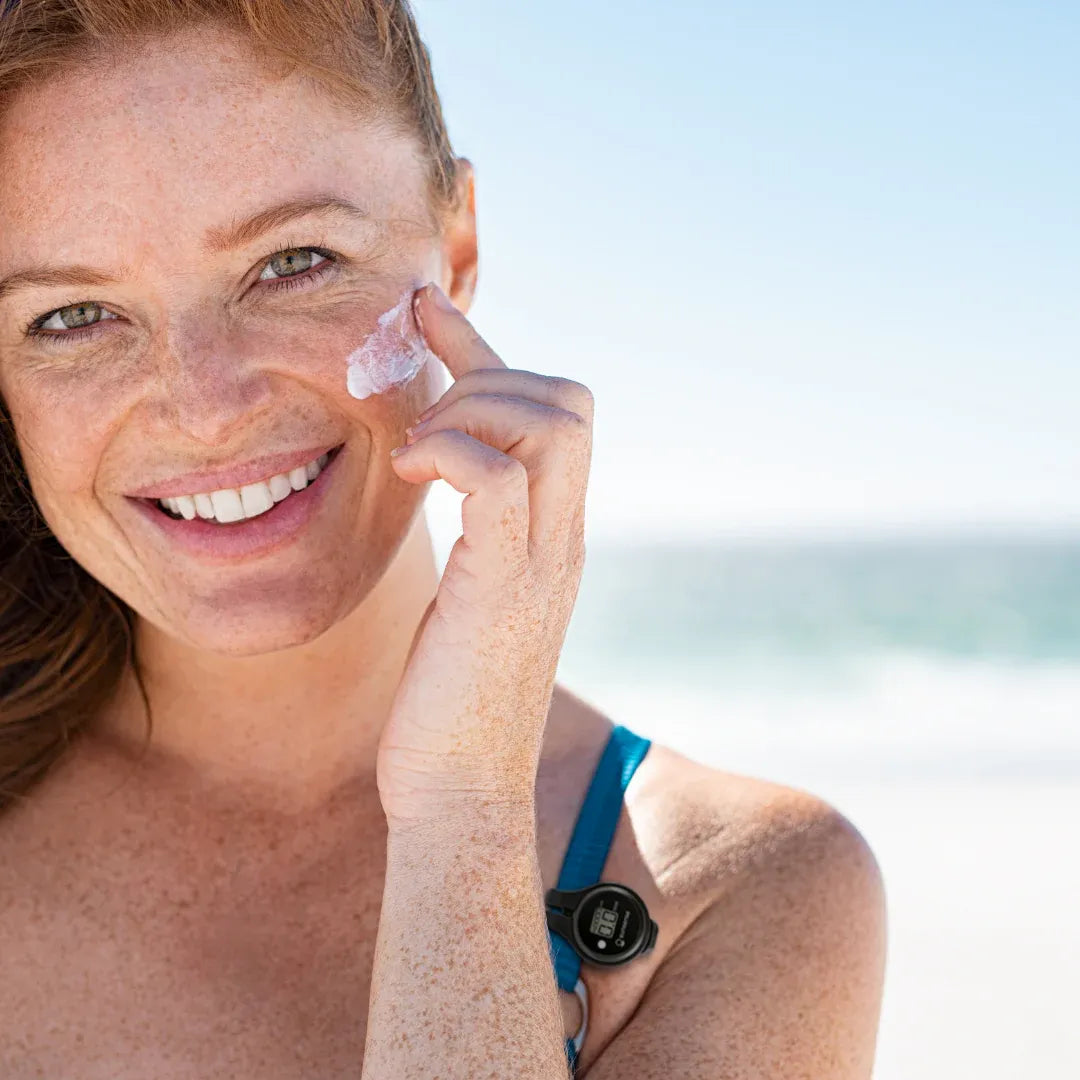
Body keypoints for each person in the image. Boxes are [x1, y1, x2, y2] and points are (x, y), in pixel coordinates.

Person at [0, 2, 886, 1077]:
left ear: (456, 248)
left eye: (294, 262)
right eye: (70, 316)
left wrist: (463, 807)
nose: (204, 406)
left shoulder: (737, 891)